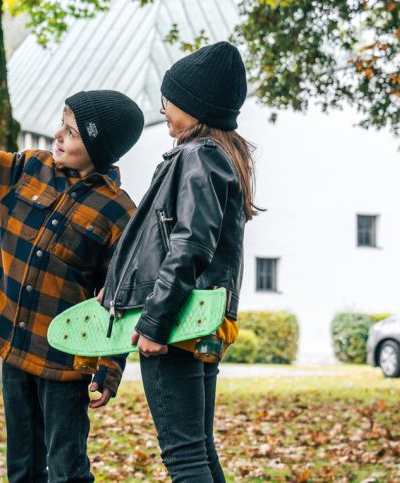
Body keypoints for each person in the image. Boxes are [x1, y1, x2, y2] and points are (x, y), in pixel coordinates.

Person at [0, 61, 144, 483]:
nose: (57, 135)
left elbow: (121, 301)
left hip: (66, 362)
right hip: (15, 349)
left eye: (71, 132)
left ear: (98, 147)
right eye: (61, 124)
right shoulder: (28, 168)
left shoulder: (118, 212)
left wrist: (110, 369)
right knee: (22, 468)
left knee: (67, 470)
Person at [100, 41, 260, 482]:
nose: (163, 107)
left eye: (170, 99)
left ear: (196, 105)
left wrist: (154, 321)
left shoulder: (197, 157)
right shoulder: (220, 157)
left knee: (184, 456)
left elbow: (190, 245)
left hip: (175, 325)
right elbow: (166, 241)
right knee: (199, 449)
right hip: (196, 322)